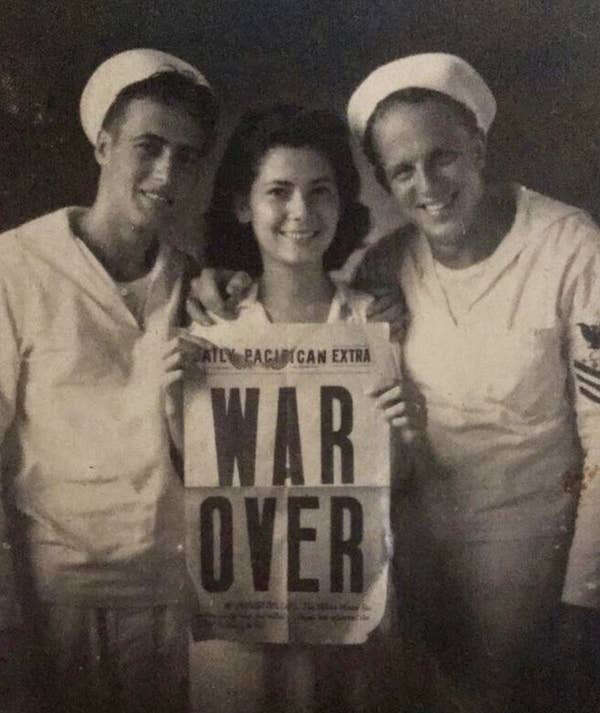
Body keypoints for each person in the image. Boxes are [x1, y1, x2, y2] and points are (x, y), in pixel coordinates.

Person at [192, 54, 600, 711]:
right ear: (383, 183)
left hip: (531, 568)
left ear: (479, 147)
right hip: (405, 573)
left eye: (442, 157)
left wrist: (586, 596)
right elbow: (300, 288)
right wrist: (219, 279)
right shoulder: (388, 264)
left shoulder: (572, 249)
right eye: (402, 171)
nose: (427, 185)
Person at [0, 49, 219, 713]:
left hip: (176, 598)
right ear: (103, 144)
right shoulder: (15, 267)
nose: (166, 173)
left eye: (187, 156)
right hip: (55, 601)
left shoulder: (198, 283)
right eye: (148, 147)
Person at [183, 104, 417, 713]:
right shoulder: (214, 324)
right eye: (278, 192)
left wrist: (403, 432)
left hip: (346, 606)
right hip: (239, 619)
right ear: (243, 205)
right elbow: (185, 478)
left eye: (320, 192)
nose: (301, 213)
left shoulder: (374, 320)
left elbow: (408, 483)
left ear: (342, 205)